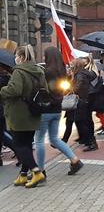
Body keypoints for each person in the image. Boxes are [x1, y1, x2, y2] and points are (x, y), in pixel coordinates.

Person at [32, 48, 85, 176]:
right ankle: (74, 159)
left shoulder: (46, 72)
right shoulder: (63, 72)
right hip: (57, 109)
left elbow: (40, 89)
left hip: (45, 109)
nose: (44, 58)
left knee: (39, 140)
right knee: (54, 138)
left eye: (45, 56)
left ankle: (40, 170)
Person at [0, 46, 47, 188]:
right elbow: (45, 89)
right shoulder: (39, 71)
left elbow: (15, 89)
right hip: (33, 111)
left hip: (19, 113)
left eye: (16, 56)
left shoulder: (18, 71)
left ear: (20, 57)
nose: (15, 59)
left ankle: (36, 171)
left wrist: (2, 89)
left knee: (18, 145)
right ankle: (22, 174)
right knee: (26, 143)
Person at [71, 57, 98, 151]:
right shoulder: (86, 72)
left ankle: (91, 142)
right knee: (87, 120)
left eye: (72, 65)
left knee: (81, 121)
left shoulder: (79, 74)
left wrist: (70, 90)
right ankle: (90, 141)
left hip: (82, 100)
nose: (71, 66)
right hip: (87, 99)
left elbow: (77, 86)